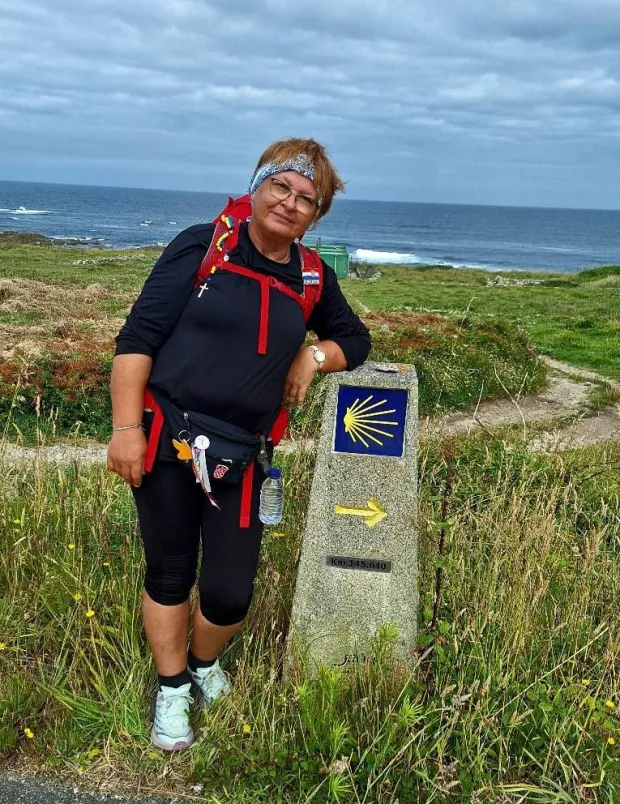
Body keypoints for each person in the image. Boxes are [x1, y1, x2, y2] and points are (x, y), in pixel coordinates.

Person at [108, 137, 371, 751]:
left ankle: (203, 662)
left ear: (316, 215)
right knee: (170, 571)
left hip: (243, 455)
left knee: (230, 594)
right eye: (280, 185)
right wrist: (126, 429)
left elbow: (354, 339)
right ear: (256, 187)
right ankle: (172, 688)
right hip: (166, 439)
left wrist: (314, 353)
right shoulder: (204, 246)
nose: (290, 202)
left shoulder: (311, 274)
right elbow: (138, 338)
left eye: (308, 198)